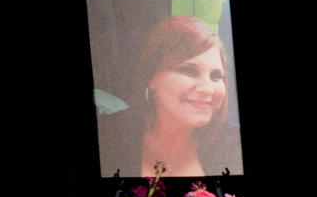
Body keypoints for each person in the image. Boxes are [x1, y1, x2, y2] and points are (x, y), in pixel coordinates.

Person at [98, 15, 242, 177]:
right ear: (151, 77)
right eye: (189, 70)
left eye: (216, 76)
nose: (208, 89)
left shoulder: (235, 144)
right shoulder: (107, 136)